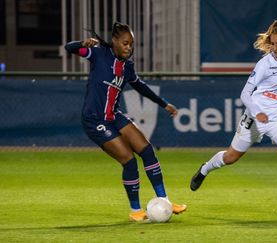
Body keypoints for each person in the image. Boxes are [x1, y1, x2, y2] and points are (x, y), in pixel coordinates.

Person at [190, 19, 277, 215]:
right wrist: (257, 111)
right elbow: (245, 94)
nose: (275, 48)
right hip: (255, 119)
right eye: (272, 44)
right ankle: (205, 169)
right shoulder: (264, 64)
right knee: (230, 157)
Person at [64, 22, 186, 221]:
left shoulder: (127, 67)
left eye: (131, 44)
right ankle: (136, 210)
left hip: (114, 115)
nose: (129, 47)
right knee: (129, 161)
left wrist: (164, 104)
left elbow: (141, 87)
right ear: (114, 41)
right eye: (125, 43)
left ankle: (164, 200)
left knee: (147, 151)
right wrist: (81, 42)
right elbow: (68, 48)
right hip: (95, 120)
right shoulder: (98, 54)